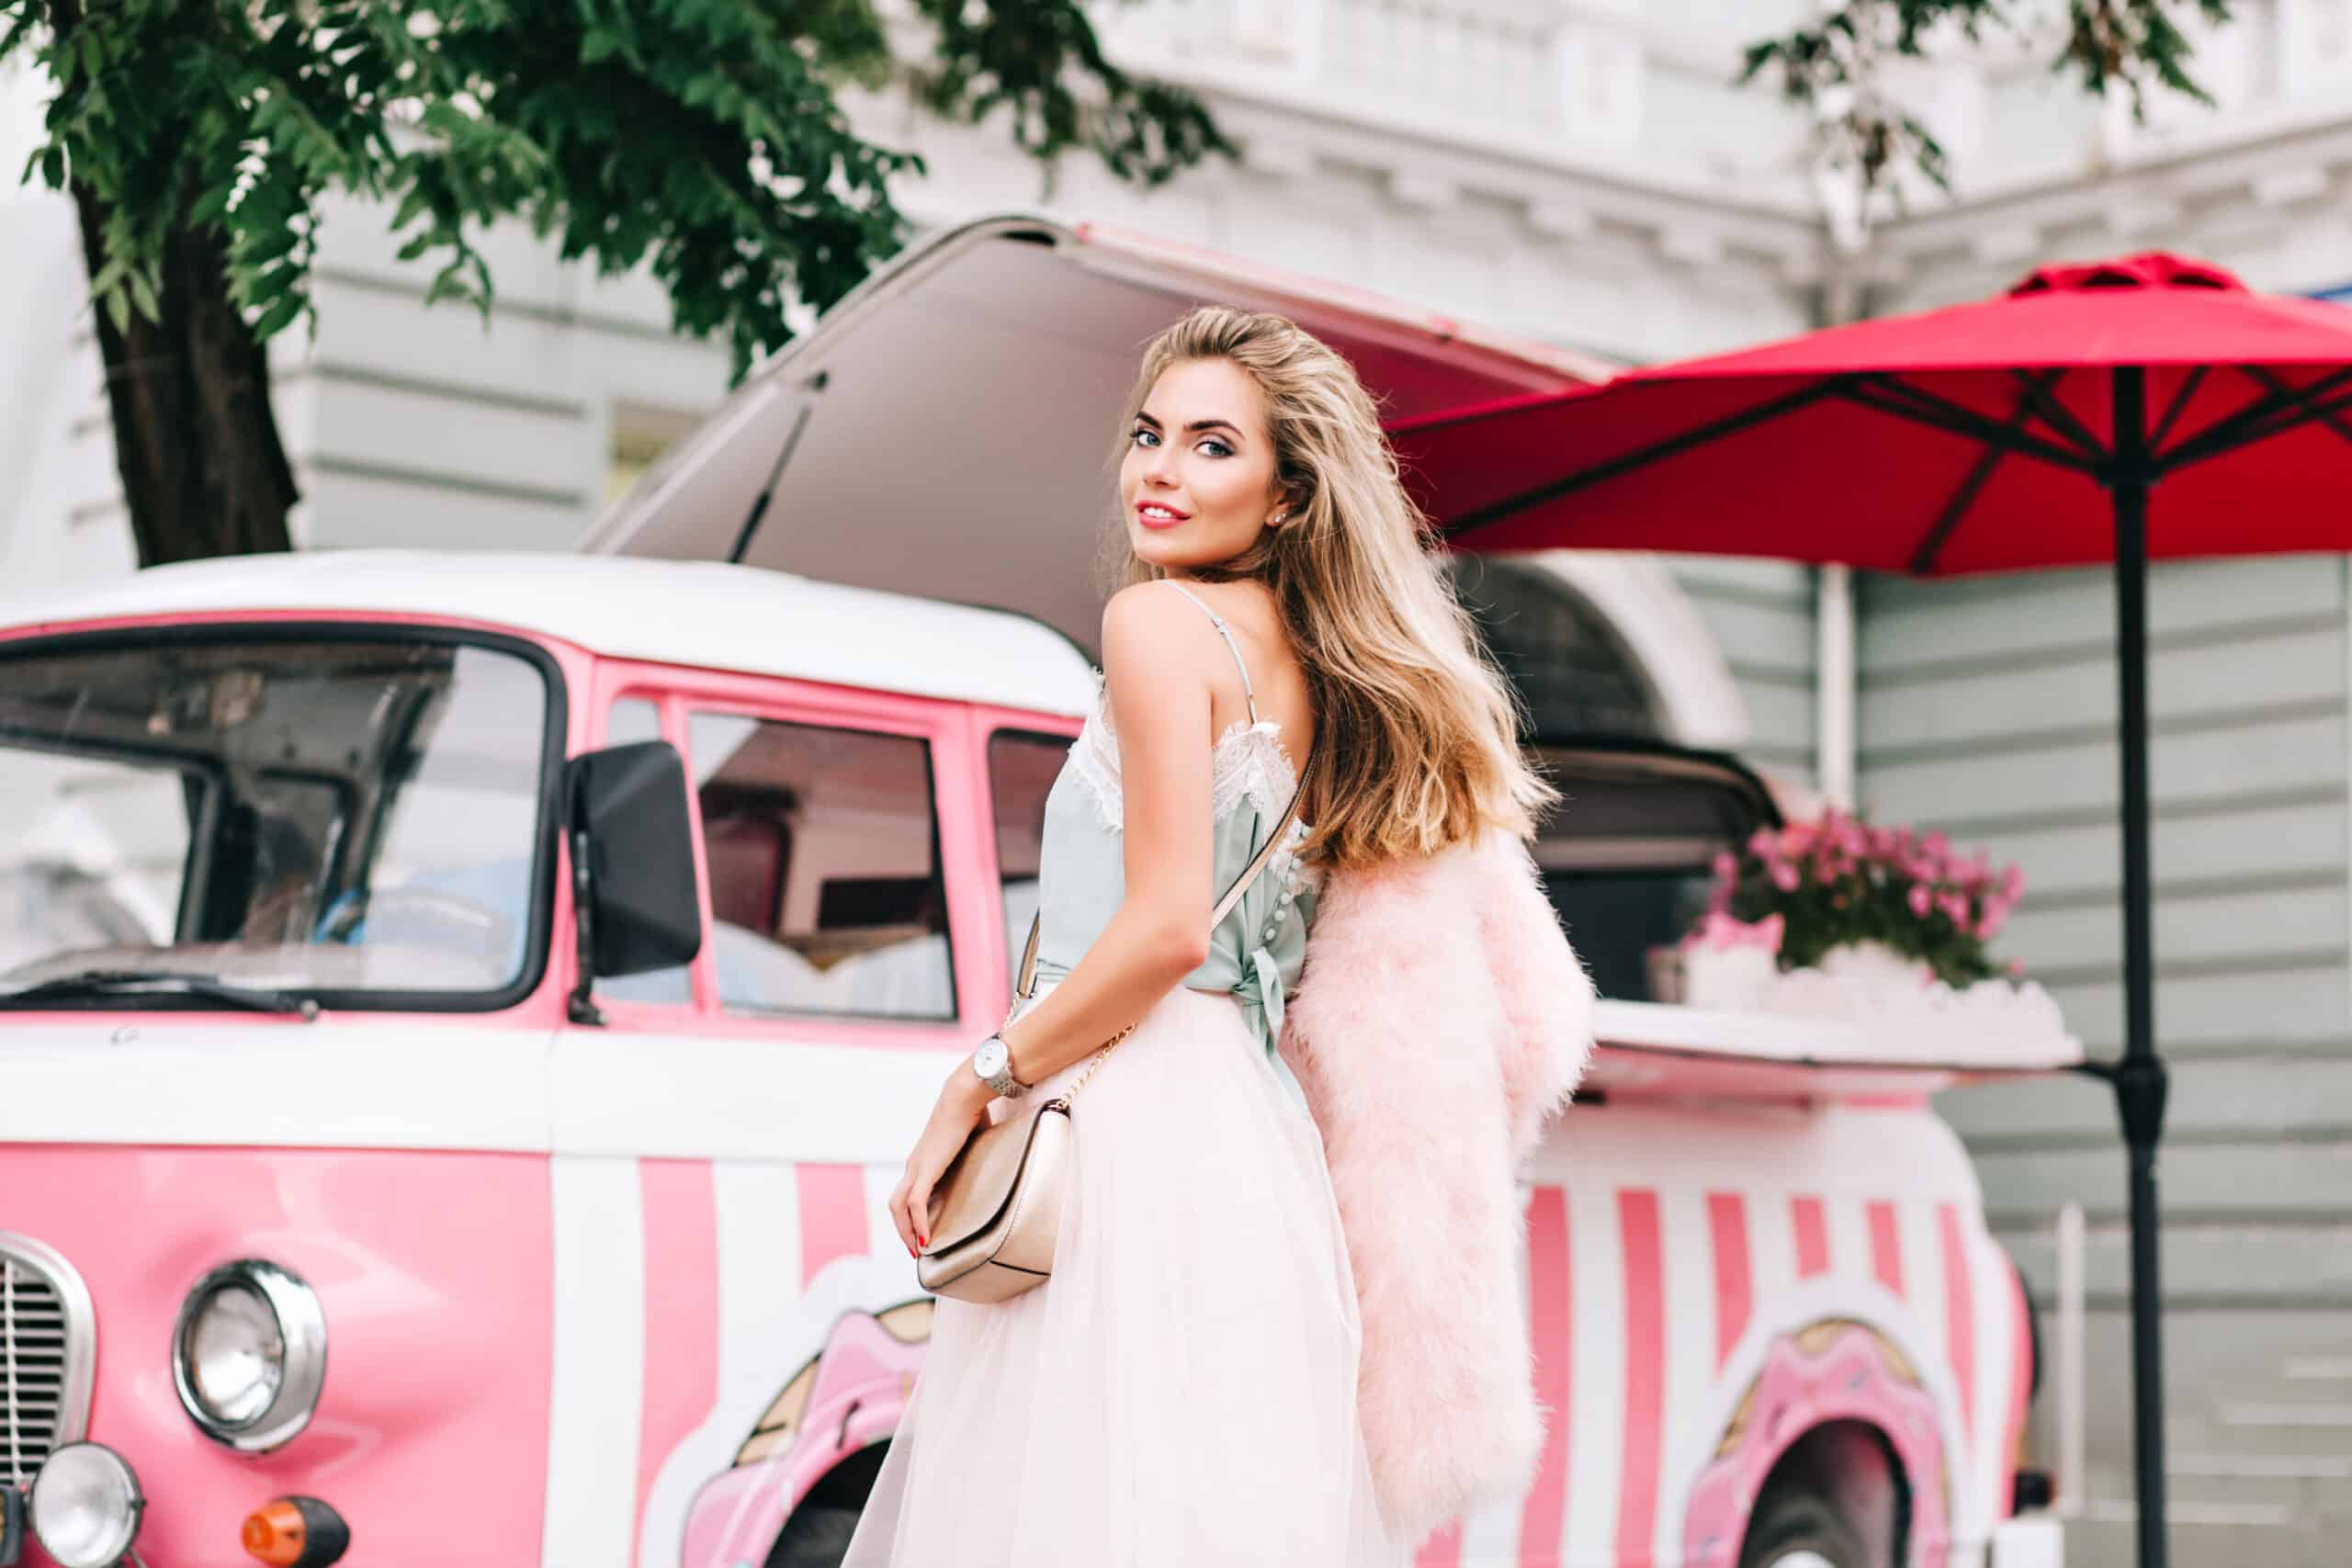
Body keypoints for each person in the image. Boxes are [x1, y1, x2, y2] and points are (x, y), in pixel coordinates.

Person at [842, 305, 1555, 1565]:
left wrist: (982, 1076)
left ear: (1289, 495)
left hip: (1132, 1109)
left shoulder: (1158, 625)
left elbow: (1167, 925)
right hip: (1252, 1130)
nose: (1160, 471)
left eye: (1212, 445)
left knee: (1069, 1511)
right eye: (1147, 434)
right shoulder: (1324, 671)